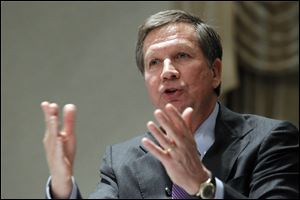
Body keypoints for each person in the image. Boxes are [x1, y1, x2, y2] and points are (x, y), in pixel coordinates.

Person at [41, 10, 299, 199]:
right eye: (154, 62)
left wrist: (202, 183)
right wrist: (62, 189)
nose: (167, 72)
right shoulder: (121, 161)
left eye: (182, 56)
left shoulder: (271, 140)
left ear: (216, 72)